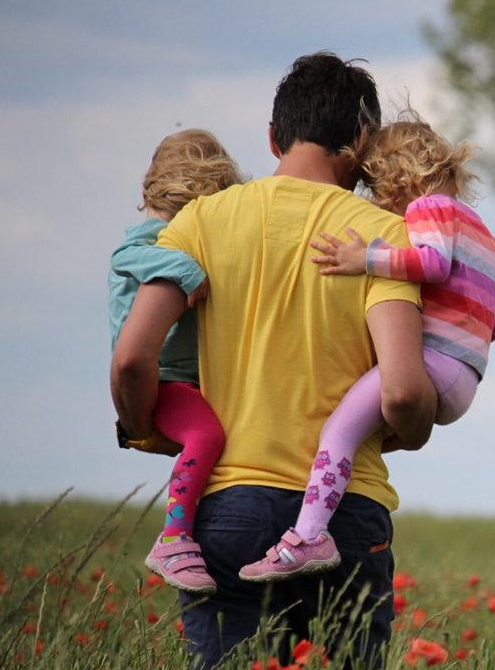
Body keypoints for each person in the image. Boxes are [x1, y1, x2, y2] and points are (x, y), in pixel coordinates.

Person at [111, 52, 437, 670]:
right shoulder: (381, 237)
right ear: (362, 141)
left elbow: (132, 359)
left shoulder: (200, 221)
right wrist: (412, 432)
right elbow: (401, 392)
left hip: (227, 508)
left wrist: (144, 427)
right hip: (345, 514)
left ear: (271, 137)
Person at [239, 112, 495, 582]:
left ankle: (308, 537)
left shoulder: (430, 210)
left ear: (400, 176)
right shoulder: (489, 238)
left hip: (432, 363)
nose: (377, 200)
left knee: (337, 432)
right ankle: (321, 516)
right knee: (361, 434)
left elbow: (431, 264)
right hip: (466, 376)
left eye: (377, 186)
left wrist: (363, 258)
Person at [109, 129, 241, 594]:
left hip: (186, 380)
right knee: (206, 435)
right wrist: (187, 270)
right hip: (163, 379)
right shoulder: (153, 238)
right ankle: (174, 537)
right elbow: (127, 255)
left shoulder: (177, 234)